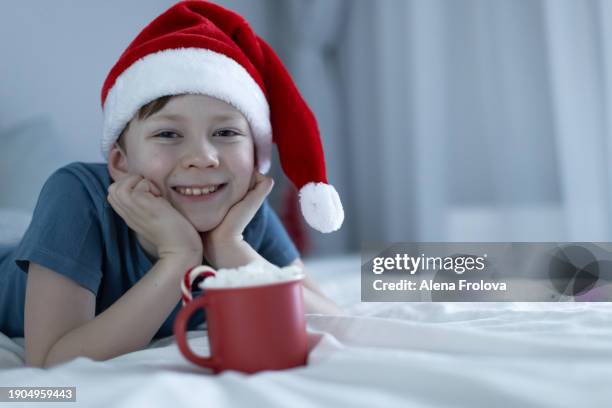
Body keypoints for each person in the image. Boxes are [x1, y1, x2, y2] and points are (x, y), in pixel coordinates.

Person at [0, 0, 344, 368]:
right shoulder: (77, 195)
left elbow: (333, 320)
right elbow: (51, 360)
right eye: (167, 133)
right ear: (120, 161)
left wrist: (230, 248)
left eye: (226, 132)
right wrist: (178, 259)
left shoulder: (242, 211)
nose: (203, 156)